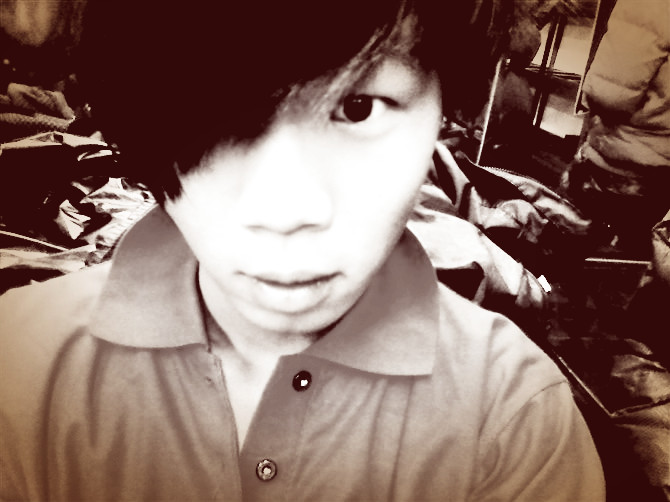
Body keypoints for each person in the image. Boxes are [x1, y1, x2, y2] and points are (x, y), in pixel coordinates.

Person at [0, 1, 605, 500]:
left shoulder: (510, 418)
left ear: (442, 110)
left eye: (357, 107)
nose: (287, 211)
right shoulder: (19, 370)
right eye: (215, 113)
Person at [561, 0, 670, 253]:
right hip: (661, 176)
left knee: (569, 254)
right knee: (632, 260)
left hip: (620, 163)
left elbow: (609, 95)